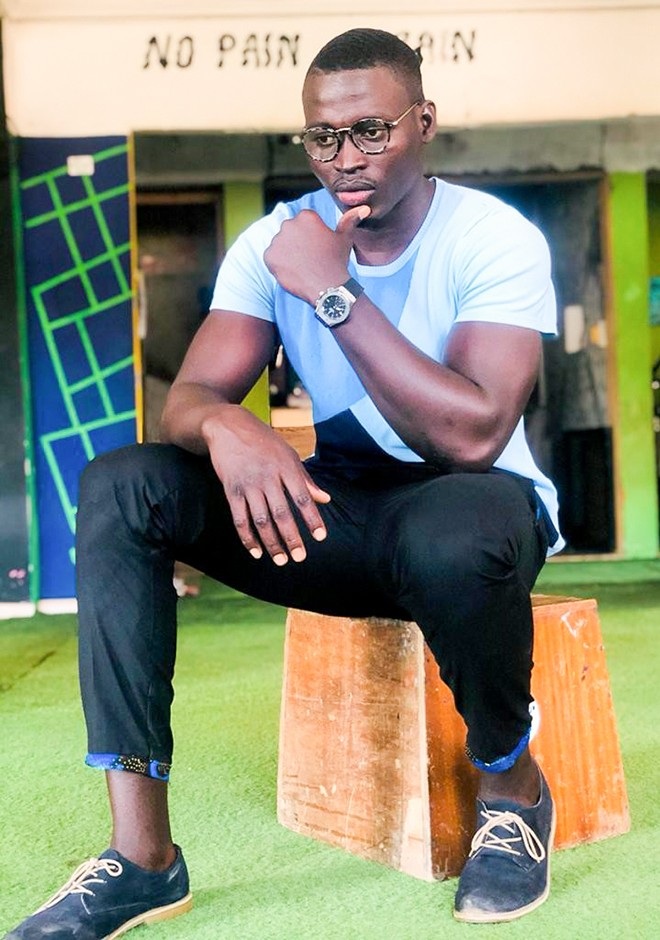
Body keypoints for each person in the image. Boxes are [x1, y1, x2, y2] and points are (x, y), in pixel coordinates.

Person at [5, 26, 564, 938]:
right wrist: (227, 425)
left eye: (371, 130)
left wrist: (332, 294)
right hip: (336, 512)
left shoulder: (491, 236)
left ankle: (512, 790)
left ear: (424, 123)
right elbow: (190, 398)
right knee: (123, 482)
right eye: (323, 137)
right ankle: (143, 858)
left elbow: (473, 434)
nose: (346, 157)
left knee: (454, 528)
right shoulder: (276, 241)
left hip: (475, 514)